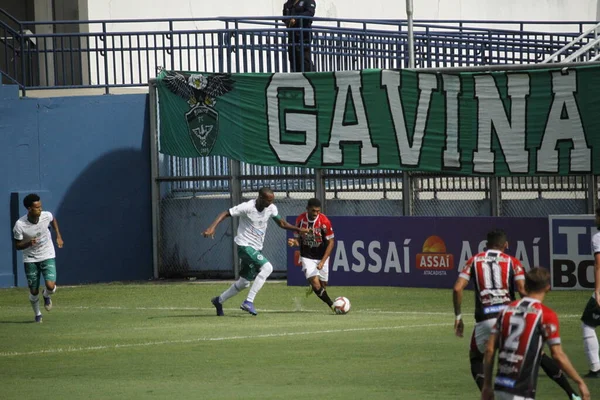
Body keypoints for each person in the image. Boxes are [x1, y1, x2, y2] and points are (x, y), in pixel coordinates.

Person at [454, 229, 582, 399]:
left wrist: (458, 317)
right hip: (510, 316)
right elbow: (522, 289)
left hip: (485, 318)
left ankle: (487, 393)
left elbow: (457, 288)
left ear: (486, 245)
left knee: (476, 358)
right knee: (539, 354)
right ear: (505, 245)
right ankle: (572, 394)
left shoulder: (473, 260)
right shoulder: (512, 261)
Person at [482, 267, 590, 400]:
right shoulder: (546, 314)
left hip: (500, 386)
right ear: (547, 287)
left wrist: (487, 385)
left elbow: (490, 349)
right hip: (521, 390)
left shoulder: (505, 310)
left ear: (525, 286)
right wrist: (579, 381)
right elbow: (557, 355)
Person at [204, 187, 308, 316]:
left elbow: (281, 223)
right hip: (244, 245)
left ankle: (219, 300)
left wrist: (297, 229)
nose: (270, 203)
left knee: (244, 283)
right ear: (260, 198)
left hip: (256, 247)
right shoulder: (247, 207)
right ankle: (248, 301)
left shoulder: (271, 208)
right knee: (267, 268)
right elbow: (225, 213)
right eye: (268, 201)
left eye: (272, 200)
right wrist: (211, 228)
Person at [13, 193, 64, 323]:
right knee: (33, 290)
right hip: (30, 258)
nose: (40, 209)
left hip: (47, 254)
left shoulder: (46, 216)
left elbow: (53, 219)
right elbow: (17, 246)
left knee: (50, 286)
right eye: (37, 207)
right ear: (29, 209)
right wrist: (29, 243)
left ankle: (46, 295)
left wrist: (58, 235)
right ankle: (38, 315)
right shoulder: (20, 225)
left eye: (41, 206)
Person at [287, 198, 339, 313]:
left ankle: (313, 285)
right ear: (307, 209)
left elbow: (331, 242)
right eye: (313, 211)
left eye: (318, 211)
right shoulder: (300, 220)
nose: (315, 213)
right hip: (307, 256)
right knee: (316, 286)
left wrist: (322, 261)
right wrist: (293, 242)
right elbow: (298, 239)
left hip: (322, 256)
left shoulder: (324, 221)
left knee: (323, 285)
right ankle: (333, 306)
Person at [581, 205, 600, 378]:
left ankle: (596, 368)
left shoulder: (598, 237)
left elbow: (598, 264)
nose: (595, 219)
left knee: (588, 325)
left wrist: (598, 291)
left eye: (597, 215)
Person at [282, 0, 316, 73]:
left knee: (304, 60)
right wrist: (288, 22)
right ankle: (296, 79)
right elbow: (284, 17)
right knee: (293, 59)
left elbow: (310, 13)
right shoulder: (288, 4)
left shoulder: (308, 1)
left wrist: (296, 19)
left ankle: (311, 78)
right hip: (292, 36)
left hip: (304, 36)